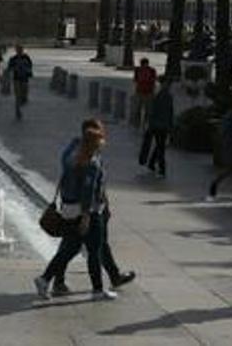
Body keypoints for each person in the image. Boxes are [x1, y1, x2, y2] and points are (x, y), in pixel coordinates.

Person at [50, 119, 135, 297]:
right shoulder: (84, 155)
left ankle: (112, 276)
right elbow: (88, 185)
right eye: (99, 135)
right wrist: (87, 212)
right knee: (76, 246)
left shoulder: (76, 150)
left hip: (79, 206)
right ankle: (54, 279)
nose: (102, 139)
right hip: (85, 208)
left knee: (94, 244)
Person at [35, 125, 115, 300]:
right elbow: (88, 191)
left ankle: (44, 279)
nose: (104, 143)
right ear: (95, 143)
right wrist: (86, 216)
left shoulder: (72, 158)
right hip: (89, 212)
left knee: (70, 249)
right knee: (95, 250)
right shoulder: (92, 163)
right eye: (101, 140)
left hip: (70, 210)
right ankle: (97, 290)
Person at [138, 76, 174, 177]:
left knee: (160, 145)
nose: (168, 86)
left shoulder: (160, 95)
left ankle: (152, 164)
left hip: (159, 125)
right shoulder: (163, 96)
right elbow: (156, 111)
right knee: (161, 147)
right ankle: (162, 168)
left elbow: (168, 112)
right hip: (159, 125)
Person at [4, 44, 34, 120]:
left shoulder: (26, 57)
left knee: (24, 96)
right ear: (16, 50)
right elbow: (9, 68)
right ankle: (18, 111)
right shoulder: (13, 58)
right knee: (17, 96)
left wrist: (28, 71)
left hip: (25, 78)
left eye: (21, 49)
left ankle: (21, 104)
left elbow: (30, 66)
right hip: (16, 79)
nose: (19, 51)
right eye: (18, 49)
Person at [132, 57, 158, 127]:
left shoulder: (138, 70)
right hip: (148, 92)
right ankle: (145, 124)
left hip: (140, 91)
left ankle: (137, 124)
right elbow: (154, 80)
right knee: (148, 110)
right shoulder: (152, 70)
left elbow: (135, 80)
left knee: (138, 109)